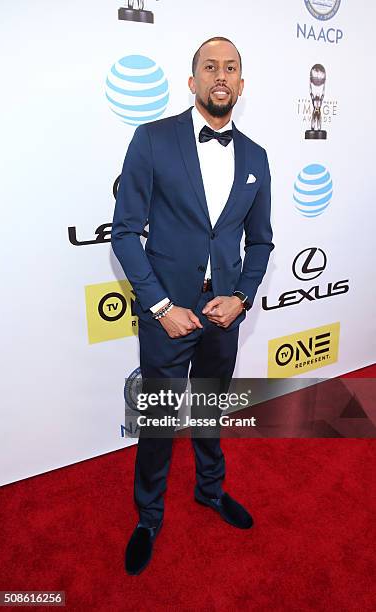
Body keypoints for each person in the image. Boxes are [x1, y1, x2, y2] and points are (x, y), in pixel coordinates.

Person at [111, 36, 274, 575]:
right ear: (192, 80)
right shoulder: (152, 139)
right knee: (158, 422)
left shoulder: (256, 157)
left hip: (223, 315)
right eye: (210, 67)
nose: (220, 75)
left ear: (242, 85)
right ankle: (148, 517)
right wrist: (160, 304)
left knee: (207, 411)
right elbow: (126, 233)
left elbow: (261, 242)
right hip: (168, 315)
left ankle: (210, 490)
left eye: (230, 68)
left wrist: (242, 297)